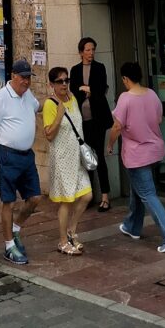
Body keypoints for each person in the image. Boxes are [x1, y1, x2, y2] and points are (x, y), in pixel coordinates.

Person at [108, 61, 165, 253]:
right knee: (138, 189)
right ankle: (132, 226)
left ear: (125, 79)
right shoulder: (153, 95)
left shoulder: (126, 98)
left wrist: (110, 144)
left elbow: (117, 126)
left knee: (147, 193)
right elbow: (157, 119)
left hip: (136, 154)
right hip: (154, 151)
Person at [0, 58, 41, 265]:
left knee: (35, 198)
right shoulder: (1, 98)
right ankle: (8, 246)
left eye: (29, 78)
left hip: (27, 155)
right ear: (13, 76)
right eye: (23, 77)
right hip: (7, 155)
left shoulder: (28, 95)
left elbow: (37, 107)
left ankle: (15, 230)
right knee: (9, 201)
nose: (26, 81)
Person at [43, 66, 92, 255]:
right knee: (66, 201)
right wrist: (58, 116)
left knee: (86, 195)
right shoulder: (50, 104)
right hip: (62, 159)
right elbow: (48, 135)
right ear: (51, 85)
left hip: (76, 158)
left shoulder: (72, 99)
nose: (64, 84)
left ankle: (72, 230)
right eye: (59, 81)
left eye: (66, 80)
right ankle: (63, 241)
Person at [70, 36, 113, 211]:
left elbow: (101, 90)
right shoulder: (75, 70)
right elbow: (74, 91)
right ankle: (89, 195)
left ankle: (105, 196)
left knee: (99, 157)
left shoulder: (99, 68)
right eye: (87, 50)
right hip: (82, 120)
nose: (91, 53)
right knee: (86, 157)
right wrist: (86, 90)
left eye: (93, 49)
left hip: (98, 120)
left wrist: (88, 90)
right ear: (81, 52)